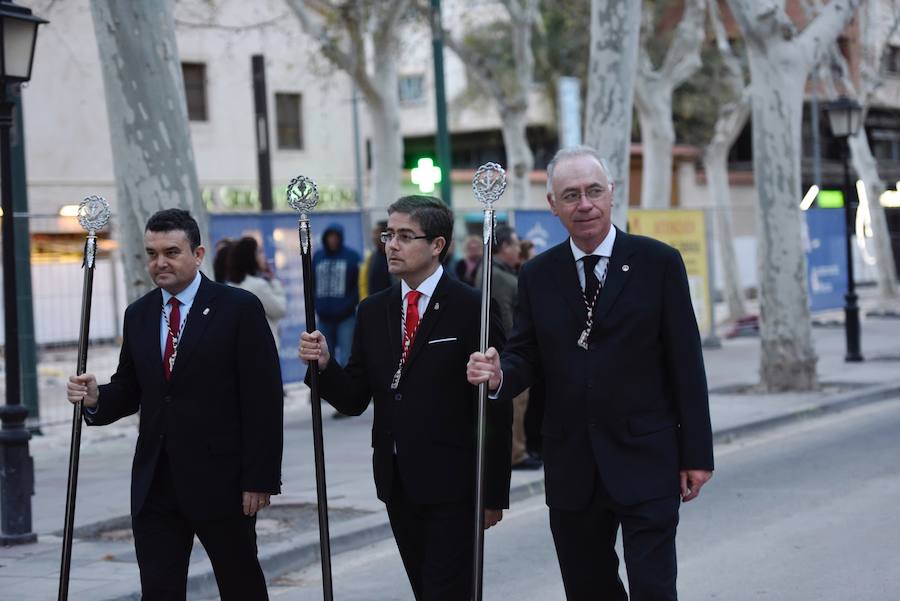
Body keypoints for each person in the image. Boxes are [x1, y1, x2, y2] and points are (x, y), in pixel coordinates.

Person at [467, 146, 714, 601]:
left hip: (647, 456)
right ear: (553, 205)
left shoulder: (658, 263)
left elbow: (686, 363)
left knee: (654, 589)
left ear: (611, 194)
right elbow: (526, 354)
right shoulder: (538, 275)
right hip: (573, 466)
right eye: (572, 194)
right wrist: (501, 374)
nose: (585, 204)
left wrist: (697, 453)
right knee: (588, 590)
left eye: (594, 191)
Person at [299, 195, 511, 600]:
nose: (391, 245)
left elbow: (493, 408)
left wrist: (493, 492)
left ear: (437, 245)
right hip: (398, 481)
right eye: (388, 235)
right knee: (424, 589)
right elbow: (355, 398)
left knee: (448, 592)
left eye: (404, 236)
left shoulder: (473, 309)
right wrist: (325, 366)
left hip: (457, 484)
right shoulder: (373, 311)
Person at [66, 209, 284, 601]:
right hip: (156, 482)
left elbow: (263, 399)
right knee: (159, 589)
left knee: (240, 584)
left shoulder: (238, 308)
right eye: (151, 253)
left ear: (198, 254)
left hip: (223, 480)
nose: (159, 262)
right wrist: (98, 398)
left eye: (171, 251)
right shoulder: (139, 313)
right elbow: (132, 387)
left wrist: (260, 478)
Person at [475, 224, 540, 471]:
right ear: (503, 248)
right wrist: (515, 348)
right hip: (507, 351)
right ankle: (516, 453)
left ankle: (520, 449)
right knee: (517, 404)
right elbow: (503, 314)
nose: (517, 249)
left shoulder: (501, 271)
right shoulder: (497, 275)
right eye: (513, 244)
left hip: (508, 350)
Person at [312, 223, 361, 367]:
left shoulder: (352, 257)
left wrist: (348, 305)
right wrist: (317, 305)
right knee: (324, 358)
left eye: (335, 237)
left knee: (347, 357)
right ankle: (328, 389)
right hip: (324, 318)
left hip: (346, 318)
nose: (332, 240)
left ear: (340, 238)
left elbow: (358, 285)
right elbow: (312, 283)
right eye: (330, 236)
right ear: (325, 238)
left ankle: (347, 388)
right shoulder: (318, 256)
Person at [226, 236, 287, 351]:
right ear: (250, 257)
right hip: (263, 348)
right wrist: (274, 280)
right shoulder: (257, 285)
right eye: (259, 252)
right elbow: (280, 309)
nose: (264, 256)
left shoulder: (230, 285)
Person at [359, 220, 391, 300]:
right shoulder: (371, 258)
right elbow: (363, 284)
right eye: (373, 233)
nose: (373, 237)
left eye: (376, 233)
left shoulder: (394, 257)